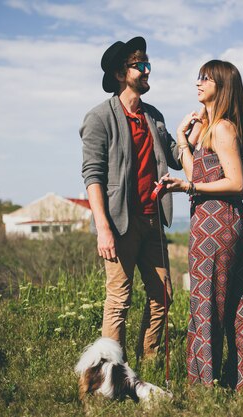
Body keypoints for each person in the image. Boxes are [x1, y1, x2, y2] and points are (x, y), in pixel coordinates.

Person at [163, 59, 243, 390]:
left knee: (205, 303)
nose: (198, 83)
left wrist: (191, 188)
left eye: (206, 79)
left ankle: (203, 388)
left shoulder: (223, 128)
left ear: (221, 88)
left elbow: (239, 184)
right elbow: (195, 174)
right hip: (223, 224)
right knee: (240, 305)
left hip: (217, 226)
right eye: (198, 77)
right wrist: (184, 141)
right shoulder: (210, 129)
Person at [80, 36, 181, 363]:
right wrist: (103, 228)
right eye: (140, 64)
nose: (147, 70)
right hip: (120, 224)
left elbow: (176, 157)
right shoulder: (99, 118)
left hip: (153, 221)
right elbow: (92, 175)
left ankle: (149, 366)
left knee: (162, 296)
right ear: (121, 73)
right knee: (119, 301)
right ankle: (110, 374)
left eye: (147, 63)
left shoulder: (154, 116)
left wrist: (189, 133)